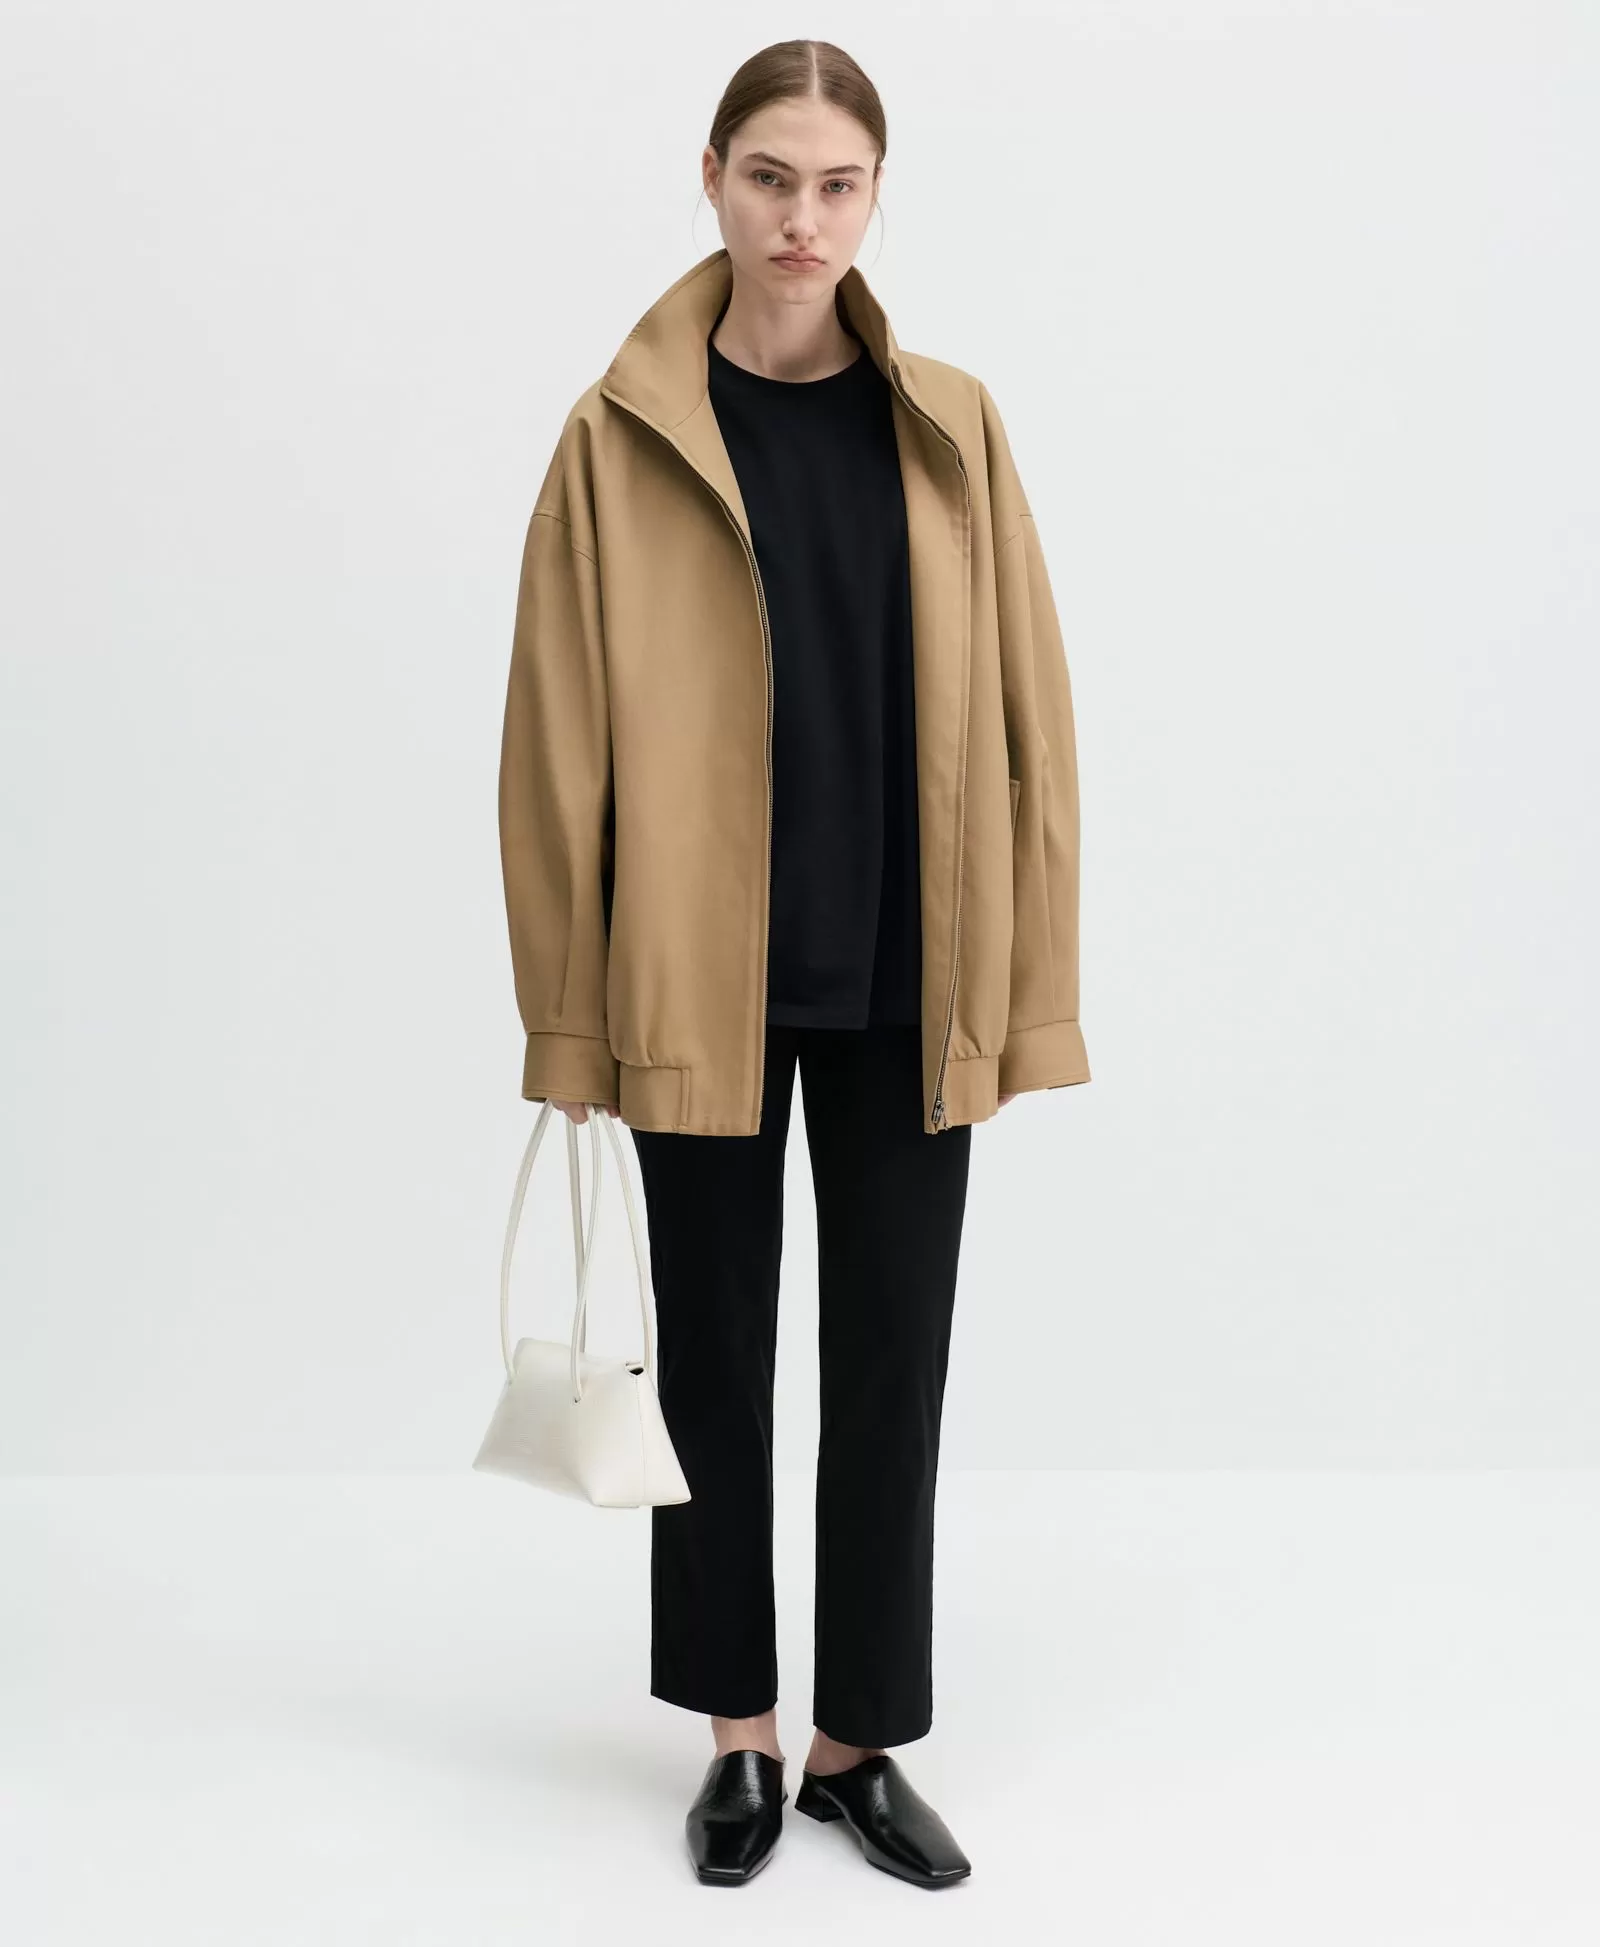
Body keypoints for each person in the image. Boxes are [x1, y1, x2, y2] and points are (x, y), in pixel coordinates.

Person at [496, 39, 1089, 1890]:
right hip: (701, 981)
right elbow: (553, 749)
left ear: (876, 195)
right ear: (712, 177)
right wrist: (569, 1020)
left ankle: (857, 1743)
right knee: (715, 1376)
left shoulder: (954, 425)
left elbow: (1034, 729)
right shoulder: (619, 435)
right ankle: (739, 1736)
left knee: (893, 1368)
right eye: (770, 177)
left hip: (918, 973)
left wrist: (1032, 991)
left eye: (837, 185)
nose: (802, 220)